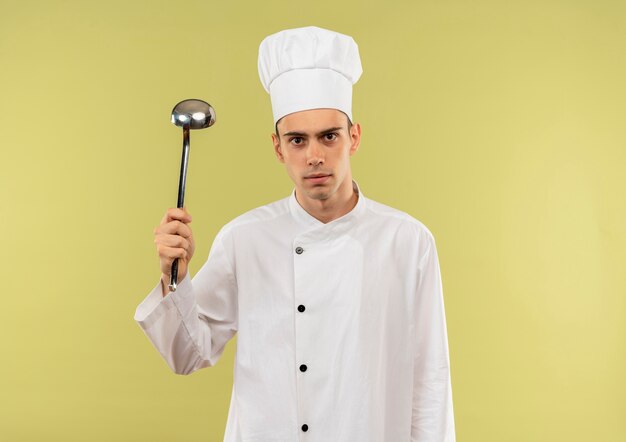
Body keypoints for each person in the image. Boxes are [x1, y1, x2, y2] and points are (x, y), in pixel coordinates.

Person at [134, 26, 455, 442]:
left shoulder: (408, 243)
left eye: (329, 136)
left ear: (353, 138)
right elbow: (187, 354)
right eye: (297, 140)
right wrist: (172, 276)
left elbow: (430, 380)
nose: (315, 156)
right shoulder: (244, 239)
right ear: (277, 147)